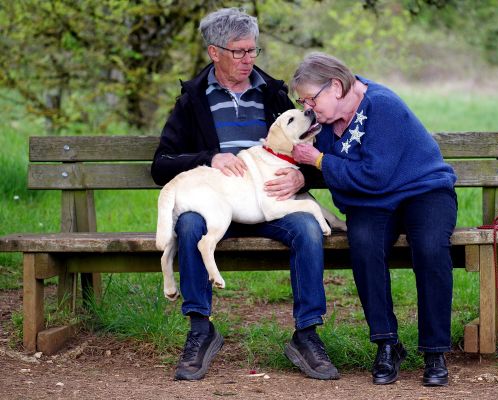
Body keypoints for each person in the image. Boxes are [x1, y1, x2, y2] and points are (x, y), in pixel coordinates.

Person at [151, 9, 338, 381]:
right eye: (237, 52)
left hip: (270, 202)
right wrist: (210, 157)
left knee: (307, 228)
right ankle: (200, 329)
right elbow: (161, 165)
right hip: (218, 201)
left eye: (252, 50)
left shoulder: (273, 94)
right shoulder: (193, 101)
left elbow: (308, 145)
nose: (247, 59)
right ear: (214, 52)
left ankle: (307, 334)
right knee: (189, 225)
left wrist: (301, 178)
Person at [291, 52, 458, 387]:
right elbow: (343, 185)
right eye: (302, 101)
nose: (308, 108)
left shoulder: (382, 105)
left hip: (423, 191)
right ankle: (386, 344)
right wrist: (314, 172)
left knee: (429, 246)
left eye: (311, 99)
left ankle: (435, 350)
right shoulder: (322, 126)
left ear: (335, 86)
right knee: (364, 243)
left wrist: (321, 162)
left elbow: (374, 176)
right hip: (372, 202)